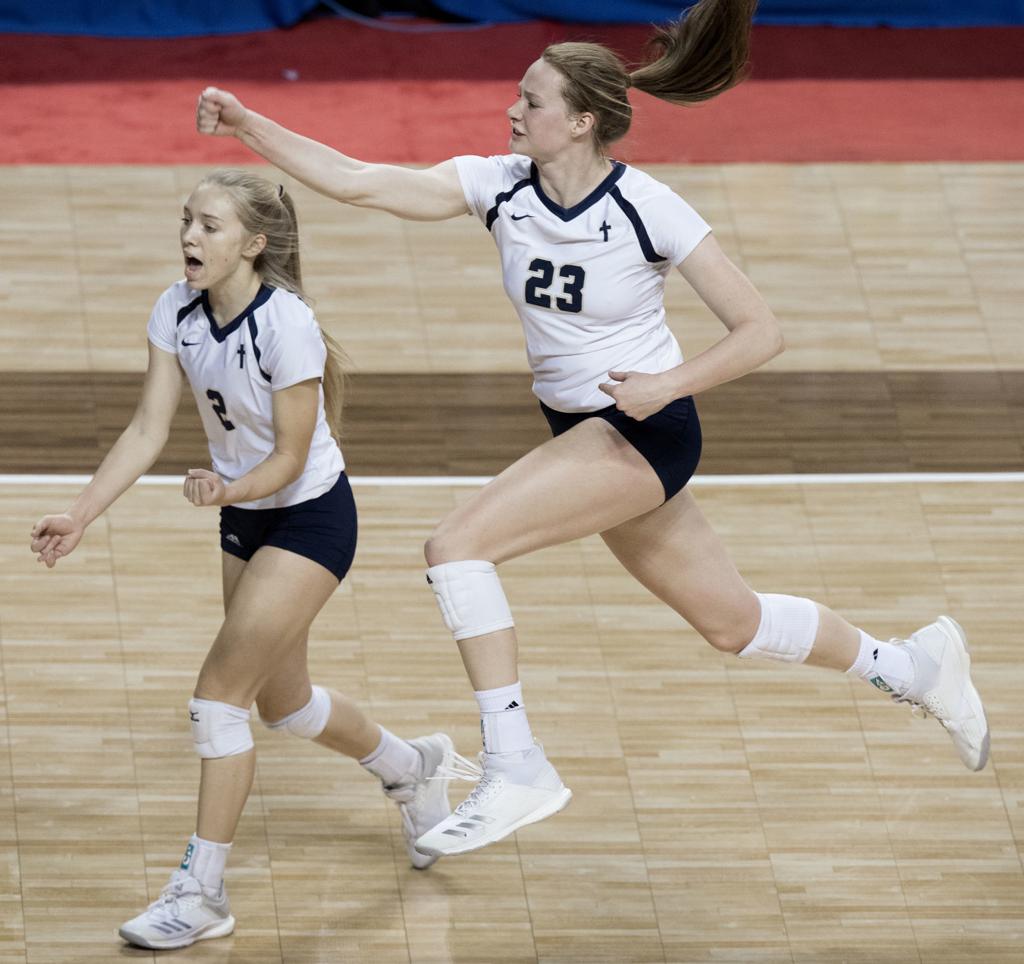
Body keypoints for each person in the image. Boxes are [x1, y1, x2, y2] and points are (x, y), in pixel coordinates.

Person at [195, 0, 989, 860]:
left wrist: (667, 384)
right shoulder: (499, 186)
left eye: (531, 100)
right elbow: (359, 178)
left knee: (458, 546)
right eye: (518, 94)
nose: (512, 110)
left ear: (580, 121)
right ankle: (913, 667)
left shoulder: (648, 207)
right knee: (733, 624)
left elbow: (761, 331)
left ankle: (516, 763)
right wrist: (249, 127)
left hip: (644, 430)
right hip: (589, 433)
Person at [29, 169, 455, 950]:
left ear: (254, 244)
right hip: (243, 517)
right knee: (282, 704)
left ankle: (201, 893)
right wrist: (81, 514)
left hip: (310, 518)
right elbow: (147, 429)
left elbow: (292, 458)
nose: (190, 237)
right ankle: (411, 767)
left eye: (211, 226)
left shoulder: (288, 324)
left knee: (216, 700)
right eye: (186, 220)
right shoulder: (175, 309)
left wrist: (227, 488)